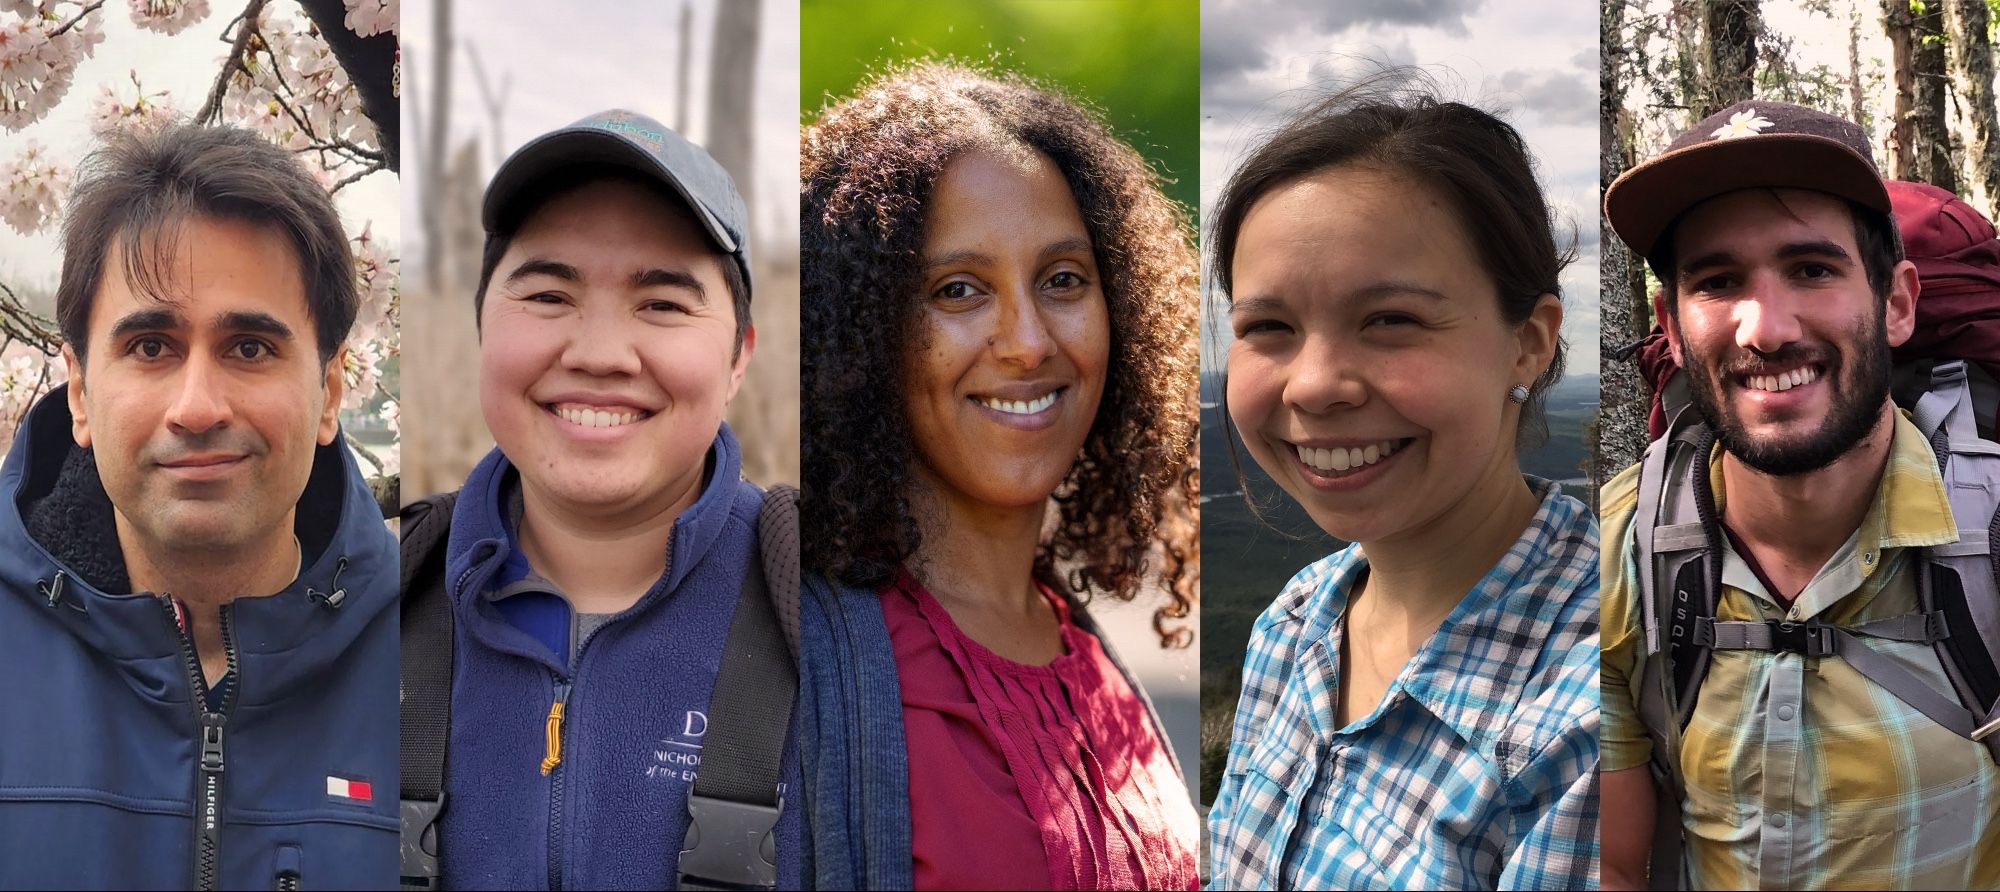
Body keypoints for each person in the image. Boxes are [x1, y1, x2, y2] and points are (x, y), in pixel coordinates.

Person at [797, 62, 1202, 891]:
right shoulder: (799, 672)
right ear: (862, 334)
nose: (1027, 340)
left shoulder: (1084, 649)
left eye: (1062, 280)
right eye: (958, 289)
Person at [1204, 84, 1600, 891]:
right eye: (1268, 328)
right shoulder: (1297, 624)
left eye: (1389, 320)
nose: (1314, 386)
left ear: (1527, 344)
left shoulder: (1589, 715)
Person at [396, 108, 802, 891]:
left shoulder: (827, 617)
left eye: (663, 304)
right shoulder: (380, 601)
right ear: (482, 324)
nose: (599, 354)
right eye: (548, 295)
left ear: (738, 359)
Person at [1599, 100, 2000, 890]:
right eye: (1717, 281)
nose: (1766, 328)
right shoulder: (1622, 549)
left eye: (1811, 269)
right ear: (1672, 329)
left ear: (1896, 304)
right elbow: (1615, 867)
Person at [0, 125, 399, 890]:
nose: (197, 406)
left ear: (331, 393)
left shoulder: (432, 661)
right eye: (151, 346)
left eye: (250, 347)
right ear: (79, 393)